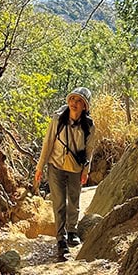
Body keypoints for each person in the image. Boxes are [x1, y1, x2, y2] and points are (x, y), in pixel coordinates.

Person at [34, 87, 96, 260]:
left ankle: (72, 231)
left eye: (78, 101)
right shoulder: (58, 119)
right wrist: (40, 167)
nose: (74, 104)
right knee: (59, 203)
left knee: (74, 201)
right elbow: (47, 143)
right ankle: (61, 241)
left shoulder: (89, 125)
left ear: (84, 106)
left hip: (76, 168)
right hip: (56, 166)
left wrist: (86, 171)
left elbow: (89, 150)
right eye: (72, 99)